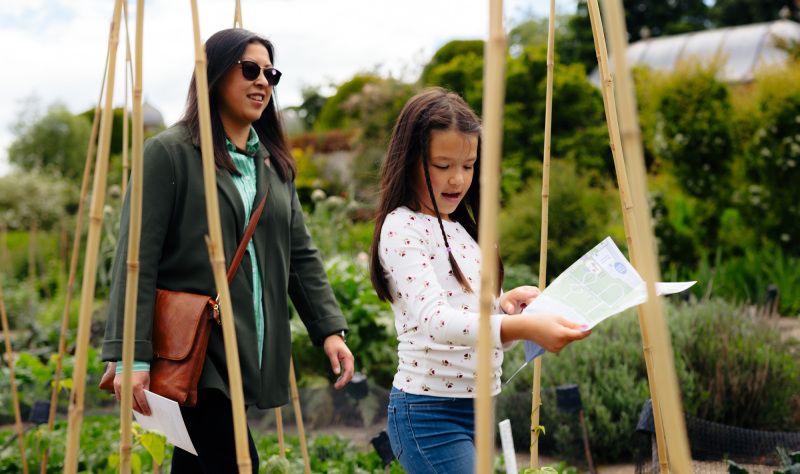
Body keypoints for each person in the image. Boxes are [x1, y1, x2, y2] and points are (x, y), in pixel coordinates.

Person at [102, 28, 354, 473]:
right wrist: (131, 356)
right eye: (250, 70)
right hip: (197, 352)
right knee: (237, 460)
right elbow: (135, 259)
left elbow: (301, 254)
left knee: (200, 462)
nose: (263, 82)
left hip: (248, 346)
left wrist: (329, 329)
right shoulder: (169, 154)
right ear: (213, 75)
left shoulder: (275, 167)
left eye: (270, 74)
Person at [369, 87, 591, 473]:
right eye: (442, 165)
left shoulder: (466, 230)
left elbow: (471, 307)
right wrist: (522, 326)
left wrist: (505, 304)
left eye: (469, 165)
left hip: (482, 405)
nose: (458, 179)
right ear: (409, 161)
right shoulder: (402, 227)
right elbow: (437, 322)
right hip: (428, 414)